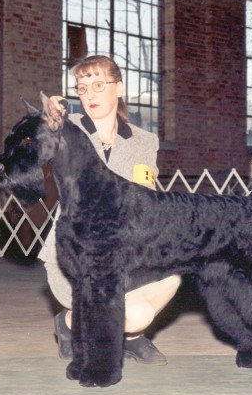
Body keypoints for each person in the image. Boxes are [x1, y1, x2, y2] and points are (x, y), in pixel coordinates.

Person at [38, 55, 181, 365]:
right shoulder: (68, 127)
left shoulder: (144, 141)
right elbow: (40, 144)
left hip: (125, 251)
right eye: (82, 87)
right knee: (130, 310)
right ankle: (70, 322)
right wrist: (48, 117)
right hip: (74, 256)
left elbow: (147, 198)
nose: (90, 95)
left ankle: (130, 337)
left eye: (99, 85)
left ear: (119, 88)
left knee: (172, 278)